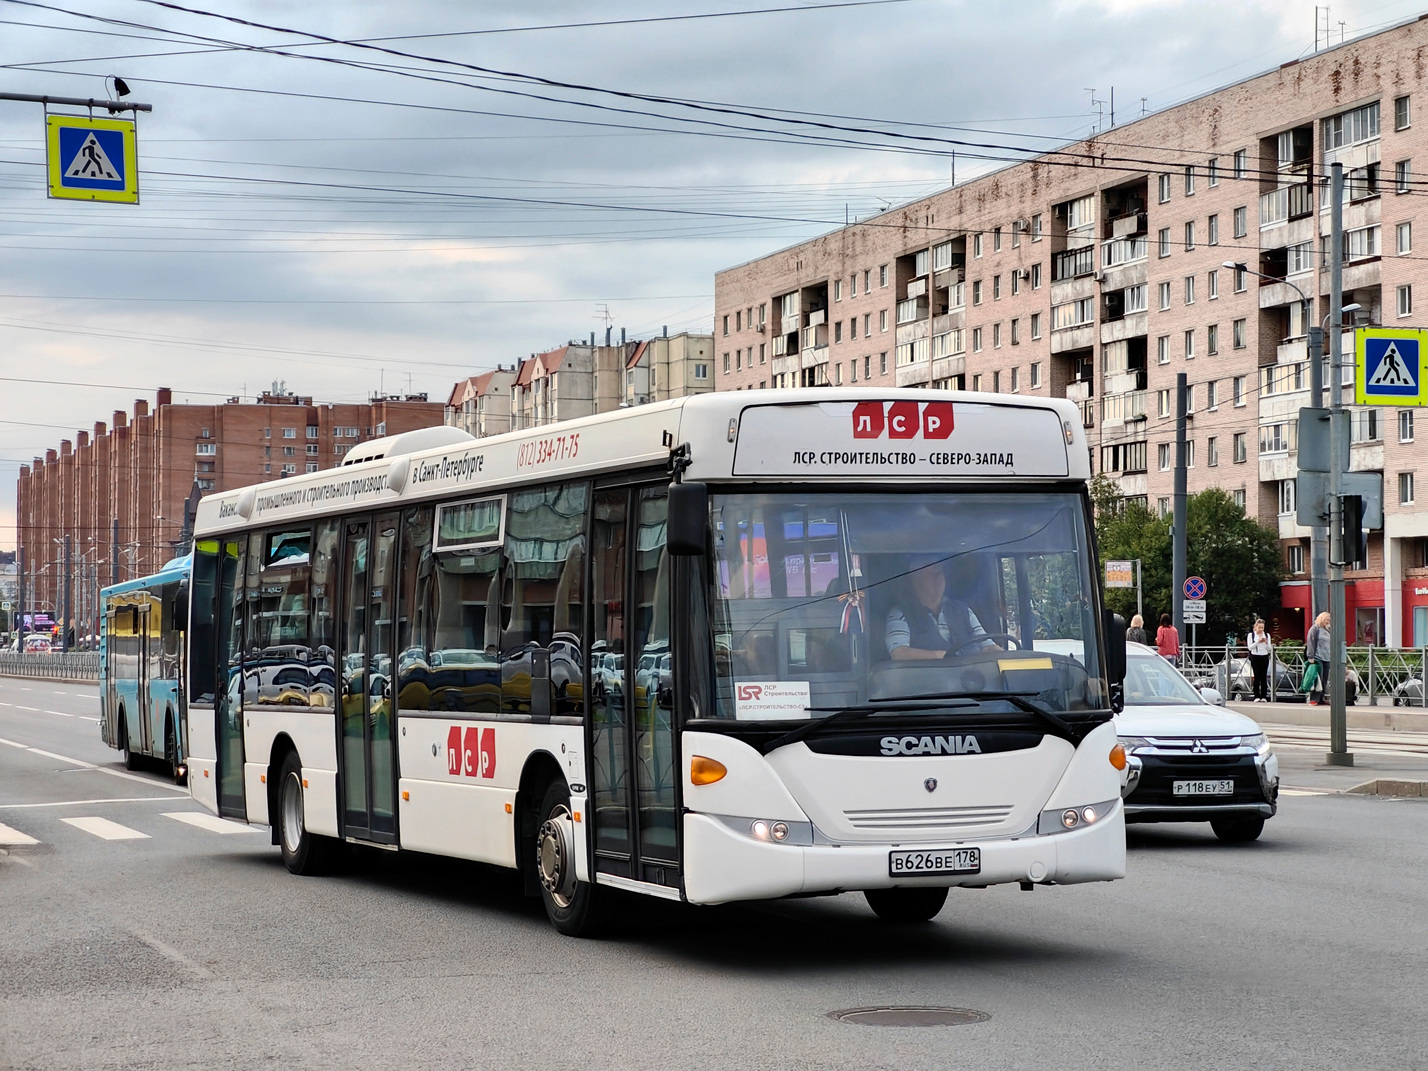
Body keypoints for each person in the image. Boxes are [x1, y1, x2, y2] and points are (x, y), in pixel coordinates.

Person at [885, 554, 994, 660]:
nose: (939, 579)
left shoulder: (963, 610)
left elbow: (988, 646)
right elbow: (898, 653)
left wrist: (1001, 653)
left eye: (940, 573)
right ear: (916, 581)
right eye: (932, 575)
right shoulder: (900, 615)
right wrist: (939, 656)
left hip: (972, 672)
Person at [1305, 611, 1331, 706]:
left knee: (1324, 679)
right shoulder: (1315, 629)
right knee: (1317, 678)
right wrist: (1310, 656)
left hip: (1327, 657)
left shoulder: (1327, 630)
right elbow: (1310, 642)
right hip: (1317, 656)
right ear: (1322, 619)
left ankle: (1321, 698)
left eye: (1329, 620)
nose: (1328, 622)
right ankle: (1314, 698)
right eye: (1327, 620)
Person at [1246, 618, 1273, 702]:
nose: (1261, 629)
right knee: (1257, 676)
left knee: (1264, 677)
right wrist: (1258, 642)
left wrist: (1266, 642)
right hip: (1255, 656)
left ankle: (1264, 696)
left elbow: (1269, 648)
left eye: (1262, 627)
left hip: (1264, 656)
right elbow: (1250, 647)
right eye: (1259, 627)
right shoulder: (1251, 635)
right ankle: (1256, 696)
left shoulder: (1267, 635)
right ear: (1256, 627)